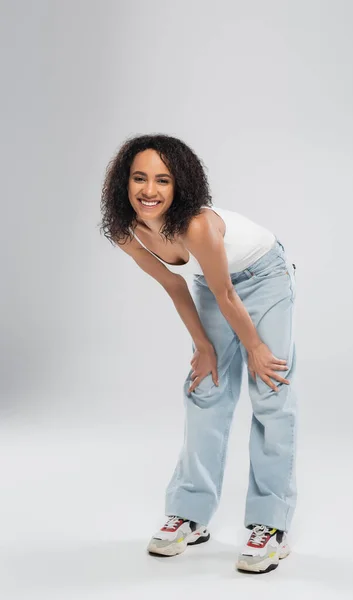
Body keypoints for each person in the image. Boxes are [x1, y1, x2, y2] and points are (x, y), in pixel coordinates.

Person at [100, 133, 297, 575]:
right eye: (139, 178)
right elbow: (176, 284)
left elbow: (230, 293)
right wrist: (205, 348)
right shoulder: (126, 230)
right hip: (212, 285)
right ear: (123, 182)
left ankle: (271, 525)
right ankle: (190, 515)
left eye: (162, 180)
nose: (149, 191)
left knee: (270, 391)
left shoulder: (196, 225)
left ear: (180, 186)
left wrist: (257, 350)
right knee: (205, 388)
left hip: (264, 277)